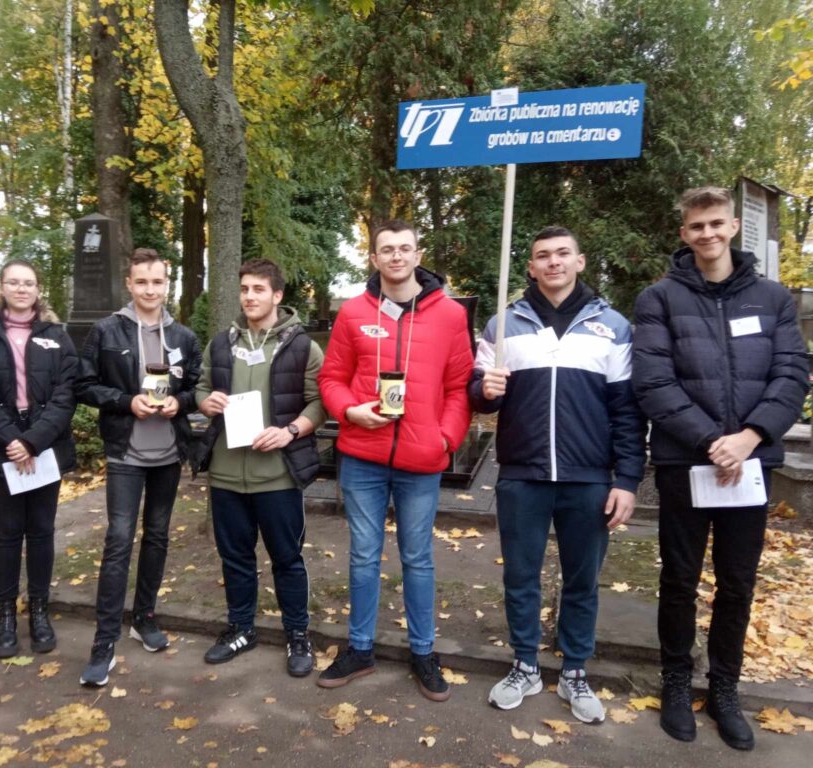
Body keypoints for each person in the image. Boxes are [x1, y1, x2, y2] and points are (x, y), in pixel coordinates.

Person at [633, 187, 808, 750]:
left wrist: (750, 437)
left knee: (737, 582)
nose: (707, 234)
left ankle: (725, 689)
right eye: (696, 226)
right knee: (679, 579)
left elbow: (792, 374)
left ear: (733, 227)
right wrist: (713, 442)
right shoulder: (659, 299)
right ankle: (676, 681)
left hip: (750, 466)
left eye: (715, 223)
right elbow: (653, 382)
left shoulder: (773, 299)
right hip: (686, 462)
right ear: (683, 234)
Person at [468, 226, 646, 723]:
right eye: (543, 255)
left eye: (562, 253)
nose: (553, 262)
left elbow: (627, 411)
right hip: (522, 474)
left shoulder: (612, 326)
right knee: (520, 577)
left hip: (588, 476)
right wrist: (486, 390)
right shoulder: (503, 324)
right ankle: (525, 664)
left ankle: (575, 670)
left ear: (579, 261)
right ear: (530, 267)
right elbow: (477, 394)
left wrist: (627, 479)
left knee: (582, 580)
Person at [317, 220, 473, 702]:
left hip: (421, 459)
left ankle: (423, 652)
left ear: (418, 255)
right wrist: (349, 411)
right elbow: (331, 378)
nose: (397, 256)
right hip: (363, 457)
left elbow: (459, 388)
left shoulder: (449, 314)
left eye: (405, 248)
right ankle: (360, 648)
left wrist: (445, 439)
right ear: (374, 258)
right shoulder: (353, 312)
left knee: (418, 558)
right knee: (363, 555)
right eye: (387, 249)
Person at [193, 258, 325, 677]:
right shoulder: (220, 344)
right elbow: (200, 387)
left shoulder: (302, 347)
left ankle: (297, 634)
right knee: (235, 557)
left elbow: (319, 403)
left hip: (278, 475)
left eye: (258, 289)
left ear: (277, 295)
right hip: (226, 473)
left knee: (287, 558)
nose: (249, 297)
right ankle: (241, 629)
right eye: (245, 289)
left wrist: (289, 432)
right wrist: (205, 402)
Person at [75, 248, 201, 687]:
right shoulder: (106, 330)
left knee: (158, 537)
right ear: (129, 284)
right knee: (118, 541)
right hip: (125, 454)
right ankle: (103, 641)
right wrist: (126, 401)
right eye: (142, 282)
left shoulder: (183, 336)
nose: (150, 289)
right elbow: (84, 385)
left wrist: (179, 403)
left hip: (167, 455)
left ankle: (144, 617)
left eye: (158, 282)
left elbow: (197, 388)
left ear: (167, 284)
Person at [0, 259, 79, 658]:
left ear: (38, 289)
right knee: (7, 534)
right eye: (14, 282)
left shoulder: (57, 336)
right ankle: (6, 616)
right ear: (2, 287)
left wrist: (33, 441)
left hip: (44, 444)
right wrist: (12, 440)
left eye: (28, 283)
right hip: (1, 447)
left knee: (42, 531)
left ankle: (40, 612)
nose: (22, 289)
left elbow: (66, 392)